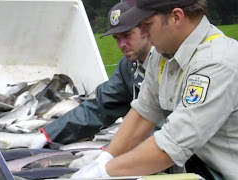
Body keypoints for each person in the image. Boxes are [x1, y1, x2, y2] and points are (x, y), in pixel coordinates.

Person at [71, 0, 238, 179]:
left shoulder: (217, 63)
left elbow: (172, 145)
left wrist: (103, 171)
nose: (143, 33)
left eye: (147, 24)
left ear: (176, 17)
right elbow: (144, 112)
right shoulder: (162, 54)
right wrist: (106, 157)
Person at [28, 0, 153, 150]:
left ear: (146, 29)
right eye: (117, 38)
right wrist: (49, 135)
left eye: (127, 35)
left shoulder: (170, 62)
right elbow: (101, 106)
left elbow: (168, 126)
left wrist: (112, 152)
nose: (122, 44)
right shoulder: (128, 65)